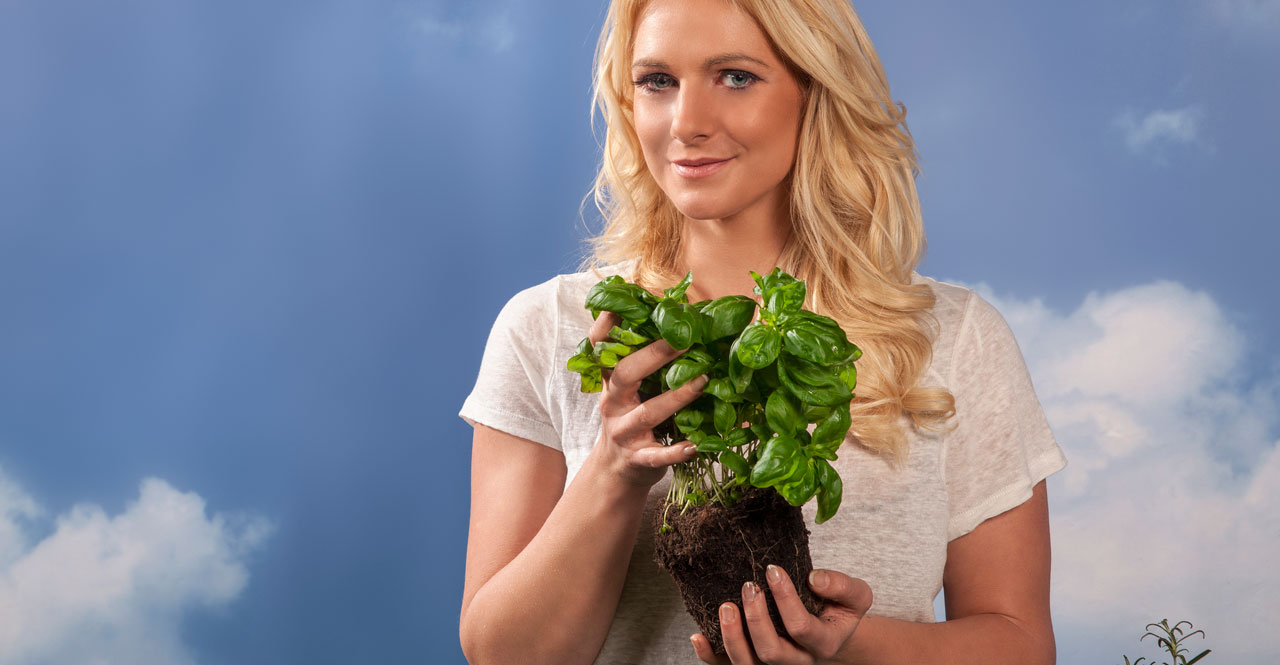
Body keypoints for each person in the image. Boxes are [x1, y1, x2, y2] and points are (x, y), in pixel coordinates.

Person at [457, 0, 1067, 663]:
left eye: (736, 76)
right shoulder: (550, 328)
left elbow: (1020, 643)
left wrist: (851, 645)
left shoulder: (956, 338)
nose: (687, 124)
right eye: (657, 81)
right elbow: (502, 653)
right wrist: (614, 468)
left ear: (817, 91)